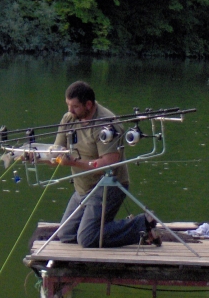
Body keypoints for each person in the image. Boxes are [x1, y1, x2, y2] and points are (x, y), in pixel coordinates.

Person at [47, 81, 160, 248]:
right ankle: (138, 233)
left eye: (75, 106)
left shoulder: (107, 124)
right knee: (66, 234)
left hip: (109, 186)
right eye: (68, 105)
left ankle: (142, 224)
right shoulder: (69, 118)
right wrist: (35, 156)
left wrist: (74, 162)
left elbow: (109, 163)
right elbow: (57, 151)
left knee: (87, 238)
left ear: (89, 104)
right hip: (83, 188)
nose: (70, 111)